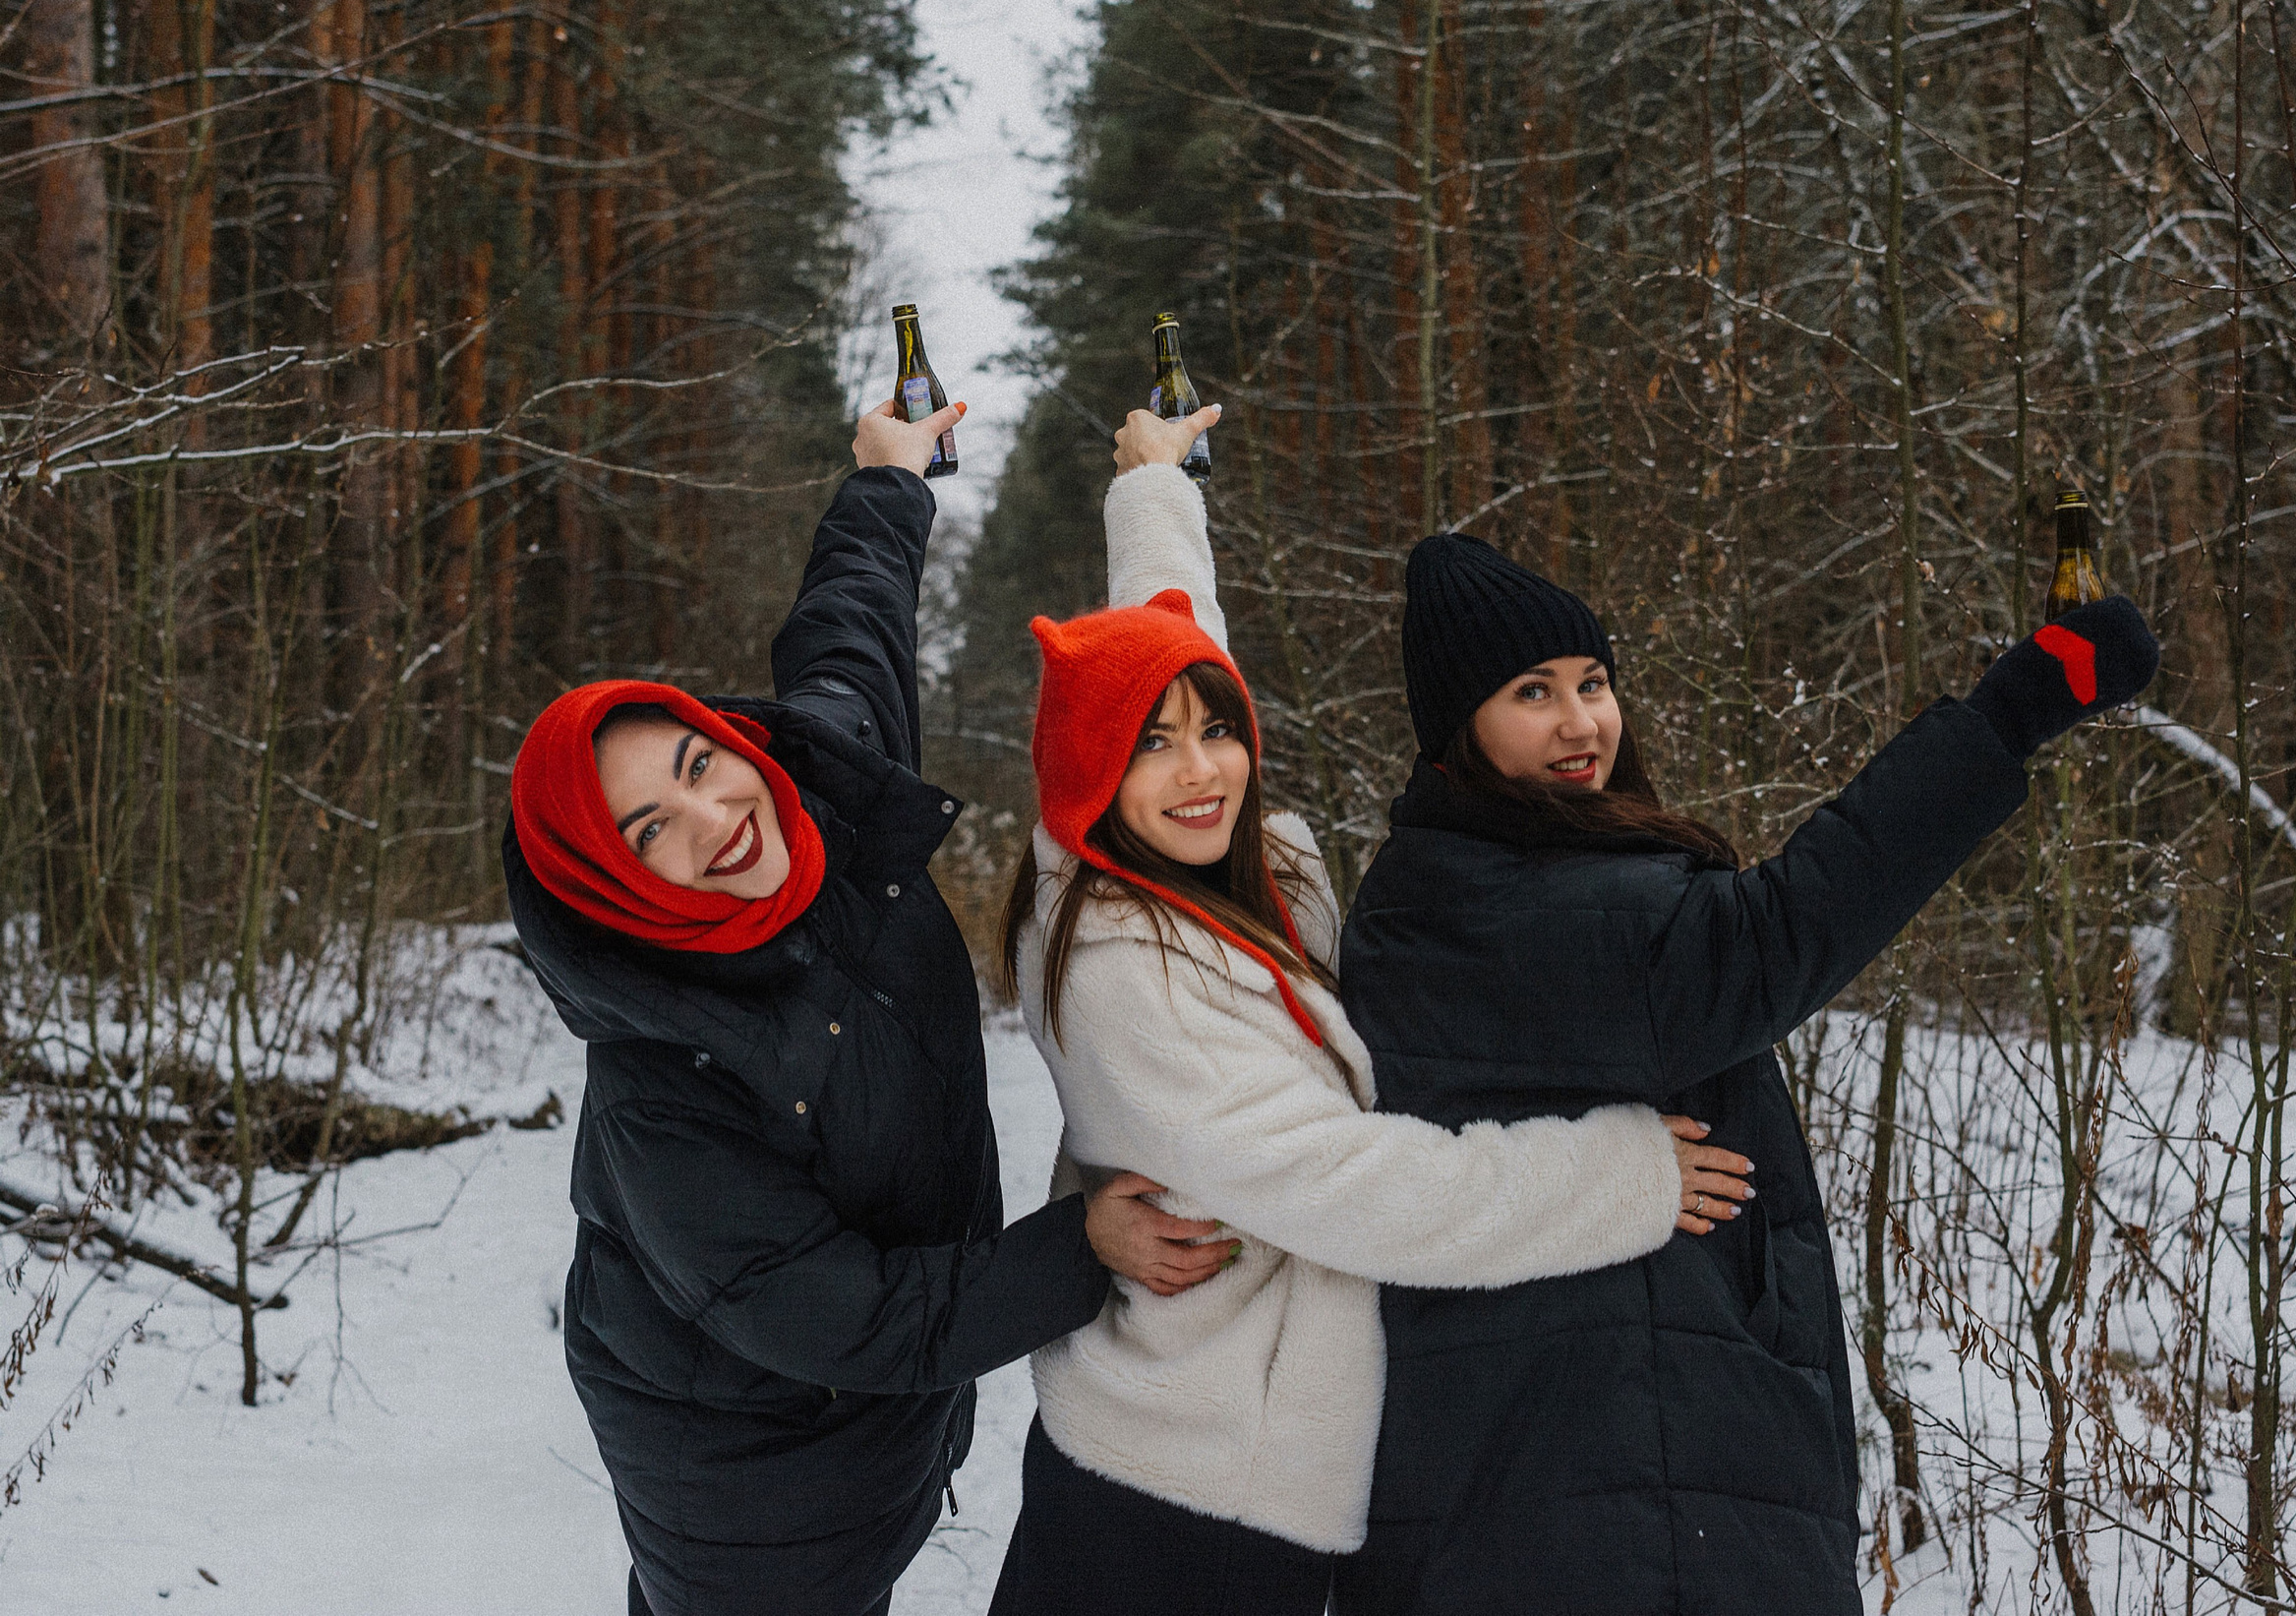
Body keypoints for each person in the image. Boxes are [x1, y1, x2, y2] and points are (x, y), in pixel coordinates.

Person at [983, 407, 1754, 1616]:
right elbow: (1357, 1192)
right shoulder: (1124, 974)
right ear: (1092, 777)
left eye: (1218, 732)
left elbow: (1175, 629)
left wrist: (1153, 486)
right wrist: (1619, 1178)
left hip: (1223, 1448)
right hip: (1189, 1497)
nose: (1204, 771)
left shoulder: (1222, 871)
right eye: (1153, 749)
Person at [1330, 538, 2161, 1615]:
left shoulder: (1513, 868)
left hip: (1622, 1451)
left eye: (1592, 683)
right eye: (1531, 693)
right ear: (1457, 728)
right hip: (1609, 1487)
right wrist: (2011, 711)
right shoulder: (1476, 902)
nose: (1582, 722)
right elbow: (1769, 936)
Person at [500, 399, 1235, 1616]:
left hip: (882, 1415)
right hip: (748, 1490)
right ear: (612, 886)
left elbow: (850, 625)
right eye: (649, 833)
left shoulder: (820, 801)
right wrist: (1077, 1249)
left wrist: (890, 476)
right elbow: (845, 1318)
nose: (714, 817)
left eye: (697, 764)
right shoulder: (660, 1100)